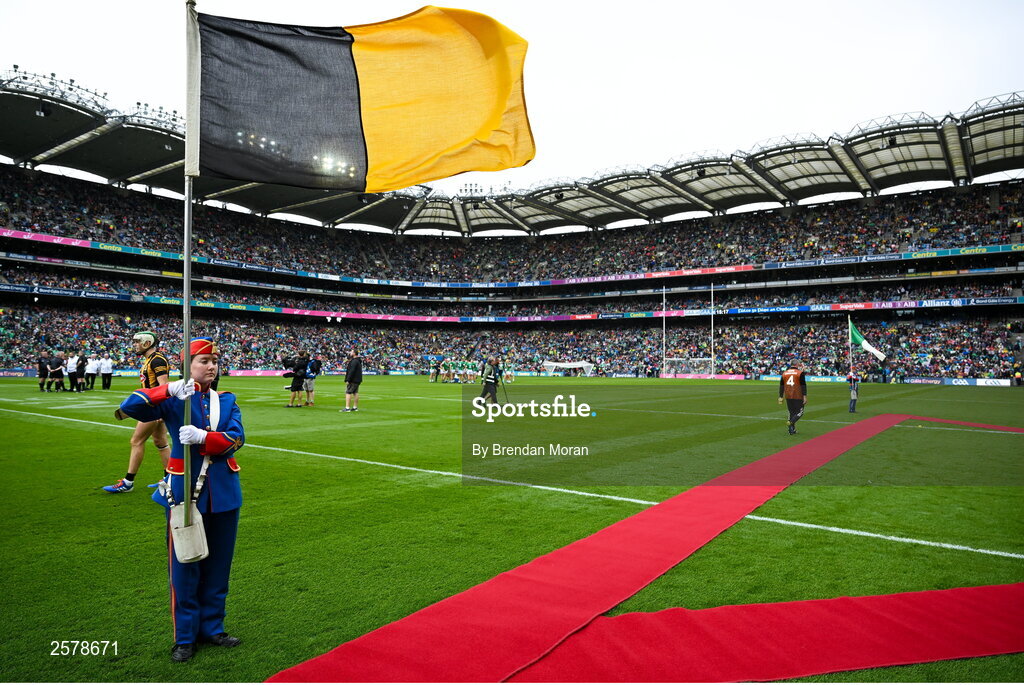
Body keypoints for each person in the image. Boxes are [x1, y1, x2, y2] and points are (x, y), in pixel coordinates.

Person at [115, 337, 244, 663]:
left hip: (224, 494)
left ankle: (212, 628)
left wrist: (204, 438)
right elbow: (129, 407)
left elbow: (236, 437)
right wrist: (168, 390)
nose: (212, 366)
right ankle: (185, 637)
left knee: (218, 568)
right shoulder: (175, 400)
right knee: (185, 567)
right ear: (188, 366)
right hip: (185, 491)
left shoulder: (225, 400)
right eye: (204, 361)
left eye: (215, 360)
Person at [103, 331, 172, 493]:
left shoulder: (157, 359)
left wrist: (161, 410)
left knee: (136, 441)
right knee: (160, 443)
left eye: (137, 342)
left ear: (147, 343)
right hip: (154, 406)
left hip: (152, 407)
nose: (134, 344)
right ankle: (170, 479)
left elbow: (164, 386)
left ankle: (128, 482)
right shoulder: (151, 359)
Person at [778, 360, 807, 435]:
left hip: (788, 395)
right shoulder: (800, 373)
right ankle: (791, 422)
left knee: (791, 412)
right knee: (800, 412)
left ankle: (791, 430)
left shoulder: (785, 373)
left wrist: (781, 396)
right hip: (798, 395)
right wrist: (804, 396)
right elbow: (803, 385)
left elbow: (781, 385)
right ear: (797, 364)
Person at [341, 348, 362, 412]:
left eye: (351, 352)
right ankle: (355, 407)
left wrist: (348, 379)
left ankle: (347, 408)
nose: (350, 353)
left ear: (354, 353)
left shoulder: (354, 361)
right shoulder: (357, 361)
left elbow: (351, 371)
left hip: (353, 379)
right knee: (355, 393)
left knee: (348, 392)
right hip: (357, 379)